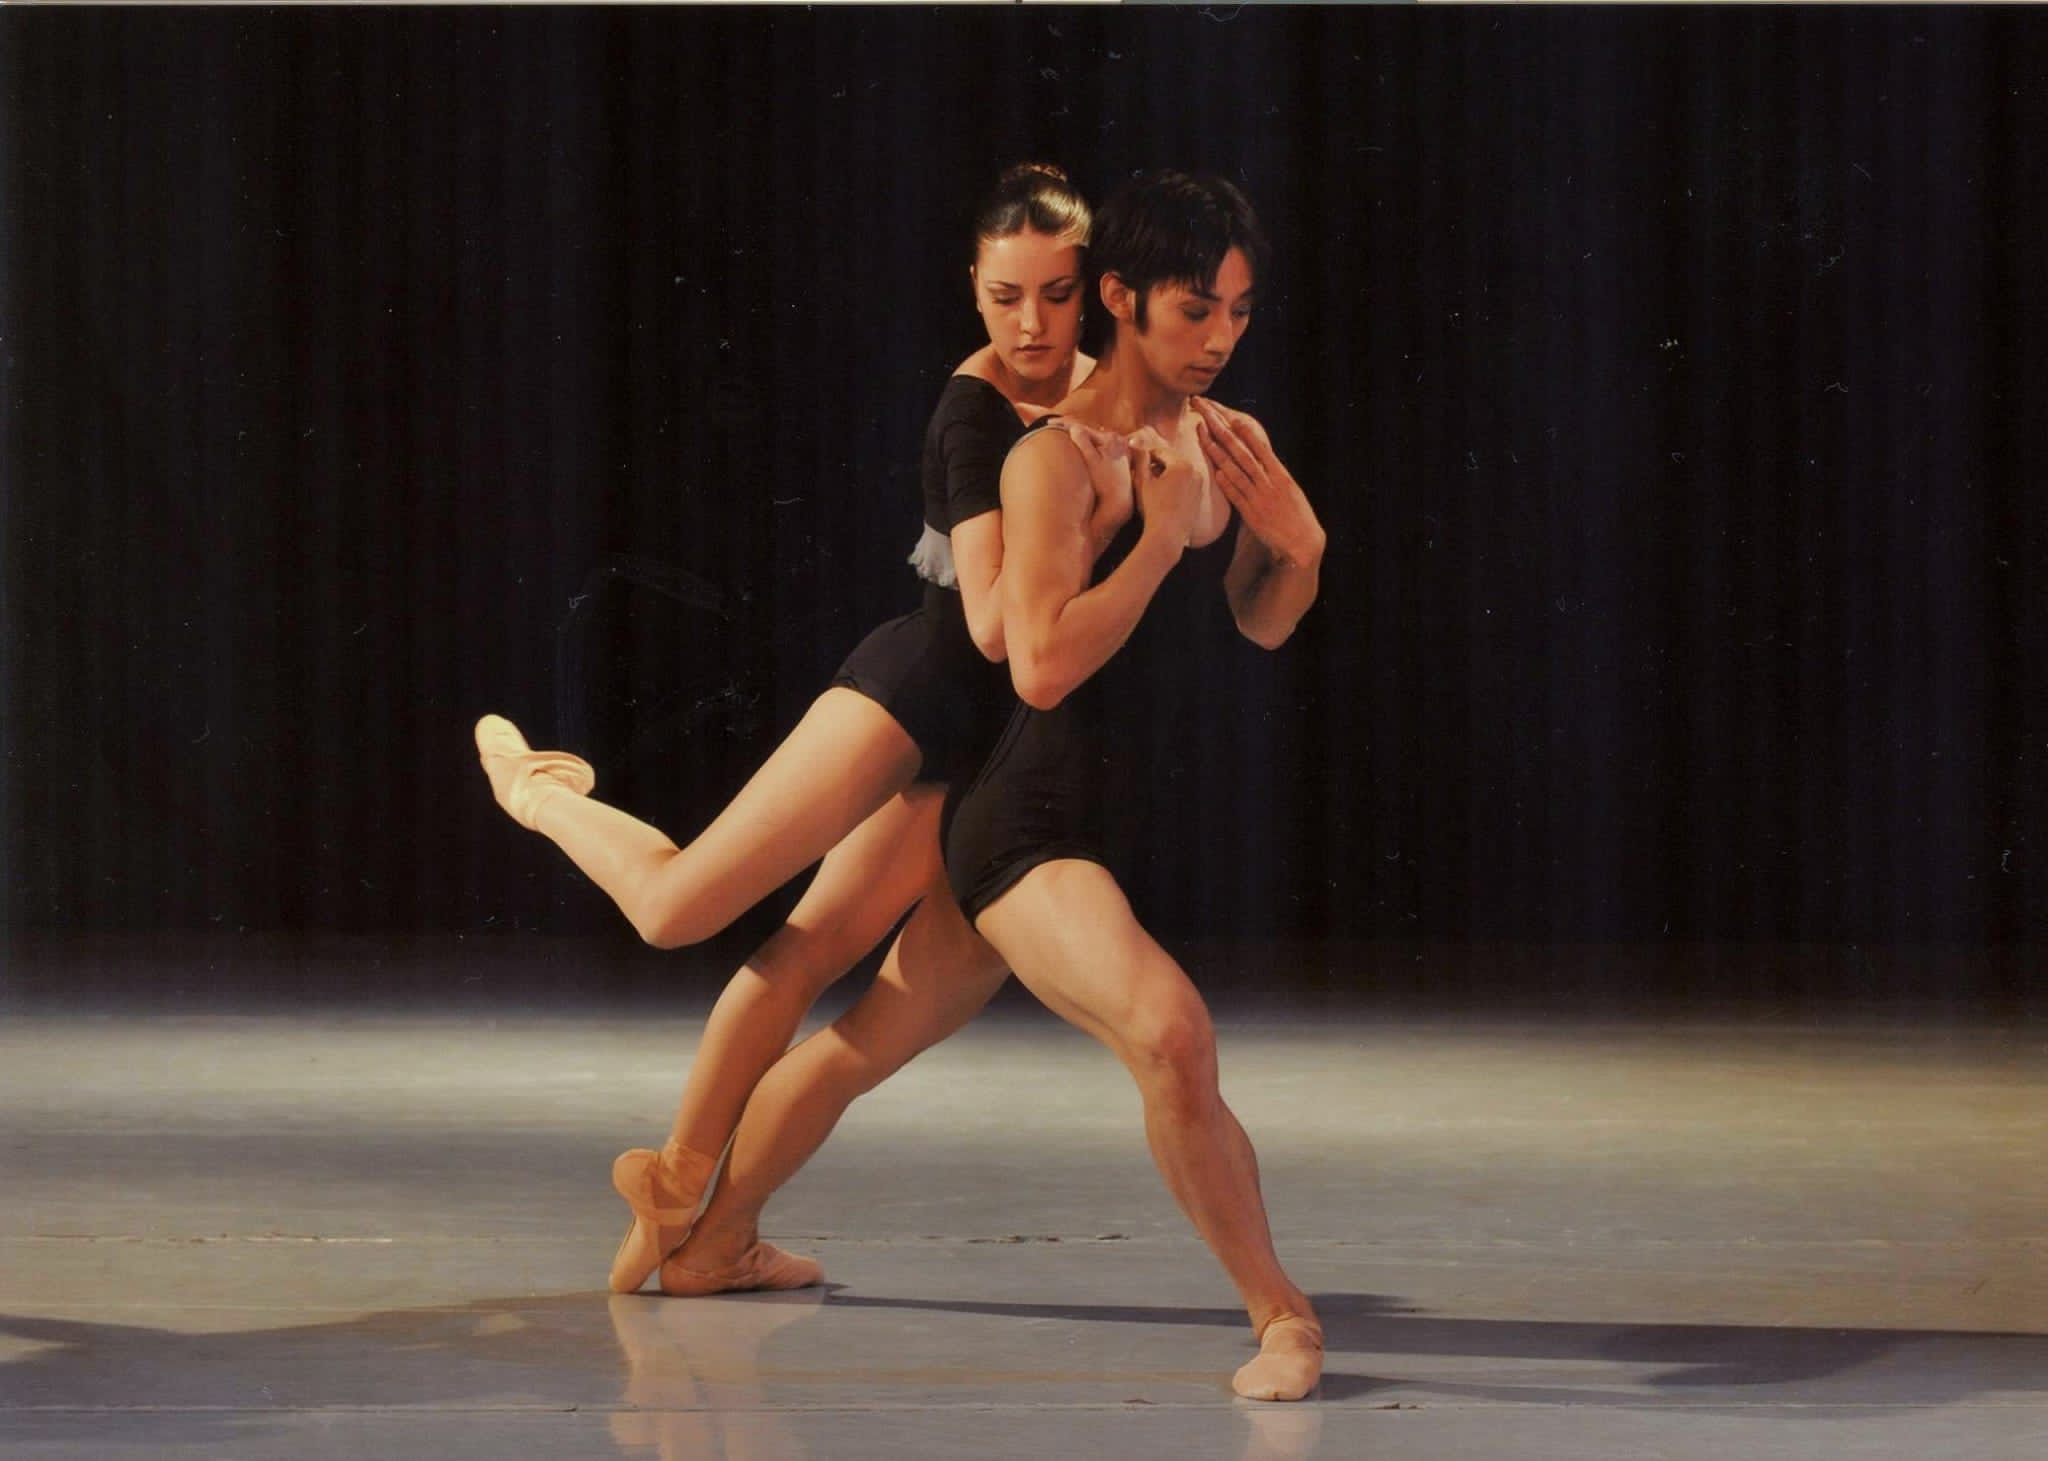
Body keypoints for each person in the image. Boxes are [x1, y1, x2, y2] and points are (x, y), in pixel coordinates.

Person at [658, 172, 1330, 1402]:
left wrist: (1298, 547)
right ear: (1119, 298)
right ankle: (1282, 1318)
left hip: (1094, 825)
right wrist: (1155, 543)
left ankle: (709, 1246)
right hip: (1028, 831)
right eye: (1196, 310)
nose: (1220, 338)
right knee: (1169, 1034)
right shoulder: (1049, 460)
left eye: (1238, 311)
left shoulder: (1219, 435)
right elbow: (1038, 665)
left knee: (856, 1046)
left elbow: (1260, 619)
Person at [475, 164, 1098, 1296]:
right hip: (915, 694)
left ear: (1089, 289)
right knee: (681, 910)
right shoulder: (972, 413)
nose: (1030, 324)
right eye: (1007, 296)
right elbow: (996, 627)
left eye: (1055, 295)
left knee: (832, 972)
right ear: (973, 285)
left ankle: (711, 1228)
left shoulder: (1107, 394)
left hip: (994, 751)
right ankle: (544, 792)